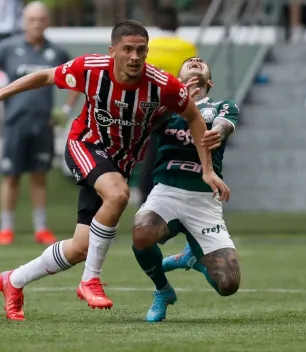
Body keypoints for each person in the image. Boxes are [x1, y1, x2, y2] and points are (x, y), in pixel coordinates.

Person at [0, 20, 230, 321]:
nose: (135, 57)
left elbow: (194, 117)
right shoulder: (91, 69)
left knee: (81, 246)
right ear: (113, 51)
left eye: (141, 50)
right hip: (85, 145)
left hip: (117, 163)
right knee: (119, 194)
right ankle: (89, 280)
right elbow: (44, 76)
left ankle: (13, 280)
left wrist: (207, 170)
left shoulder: (162, 85)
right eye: (127, 50)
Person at [132, 57, 240, 322]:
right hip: (167, 191)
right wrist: (177, 101)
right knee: (142, 232)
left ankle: (190, 258)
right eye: (189, 62)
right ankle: (163, 290)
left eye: (200, 62)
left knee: (228, 284)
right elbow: (146, 125)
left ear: (209, 81)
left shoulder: (223, 106)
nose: (195, 62)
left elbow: (224, 125)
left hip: (204, 199)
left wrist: (218, 131)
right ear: (177, 78)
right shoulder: (162, 106)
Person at [0, 1, 79, 246]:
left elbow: (75, 79)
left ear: (47, 22)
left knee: (39, 176)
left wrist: (65, 109)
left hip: (43, 123)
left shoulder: (57, 52)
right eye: (32, 19)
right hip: (14, 122)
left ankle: (41, 228)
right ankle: (6, 229)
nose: (36, 24)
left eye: (41, 19)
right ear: (24, 22)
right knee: (11, 176)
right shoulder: (7, 47)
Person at [139, 5, 198, 204]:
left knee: (150, 157)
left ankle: (145, 201)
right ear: (177, 25)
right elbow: (193, 79)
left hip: (150, 109)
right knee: (178, 158)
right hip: (177, 110)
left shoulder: (149, 47)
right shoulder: (187, 47)